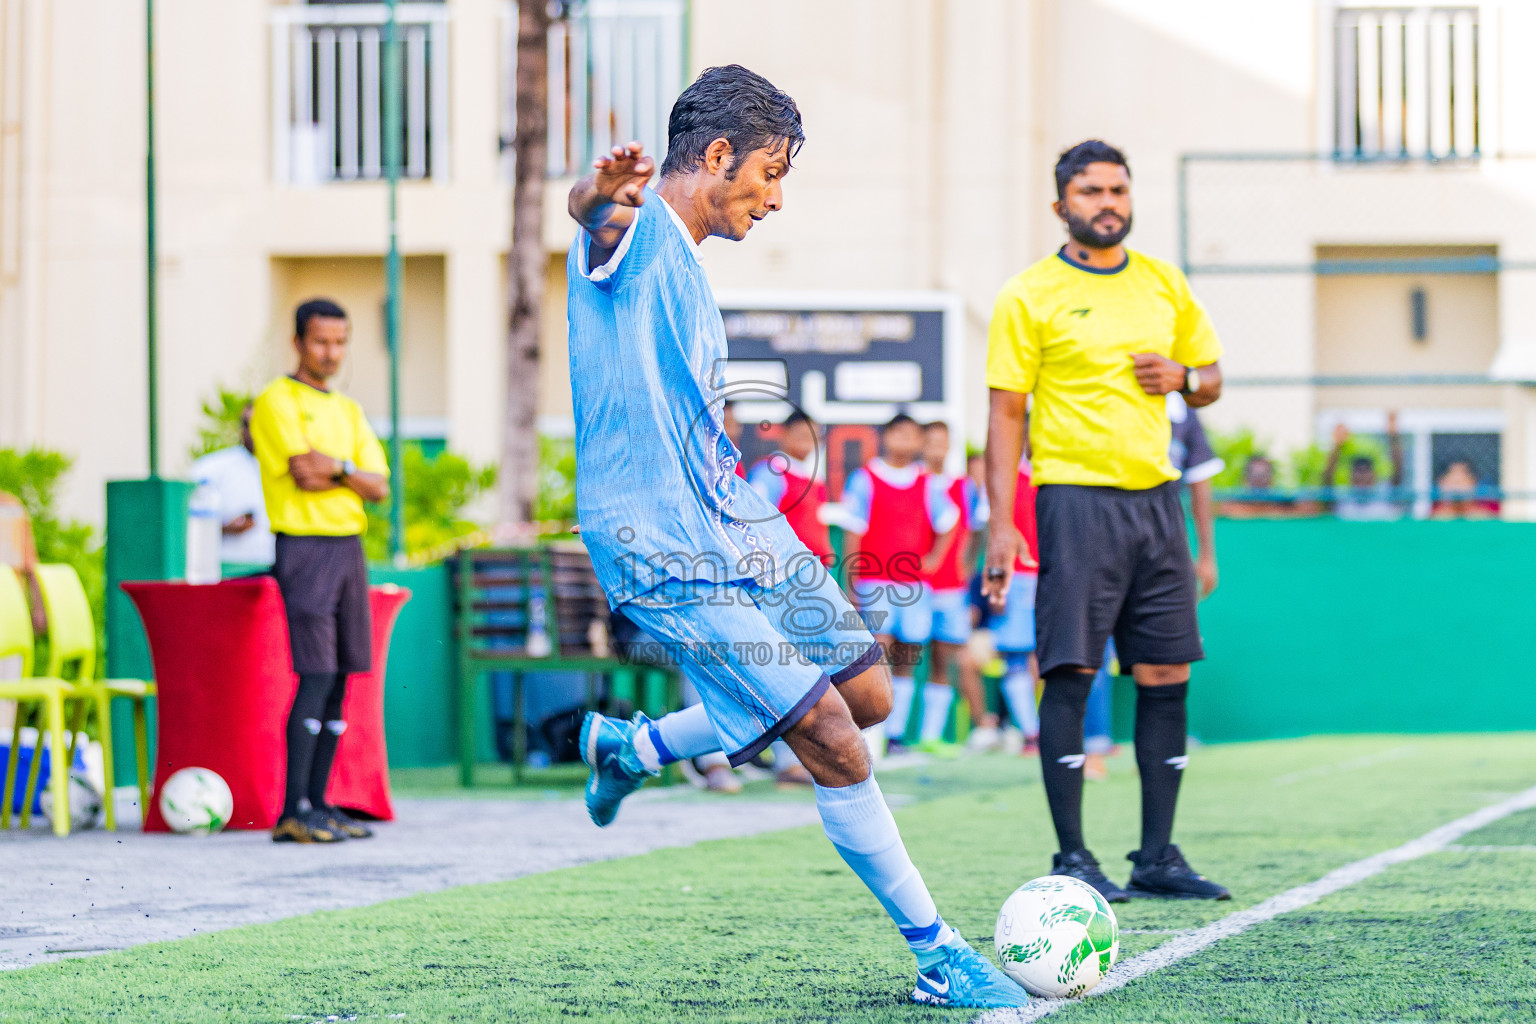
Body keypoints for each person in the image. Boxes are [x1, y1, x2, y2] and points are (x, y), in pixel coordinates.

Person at [565, 66, 1025, 1008]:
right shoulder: (639, 228)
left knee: (869, 694)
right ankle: (939, 954)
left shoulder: (687, 260)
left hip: (738, 521)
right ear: (719, 156)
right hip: (660, 546)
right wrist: (599, 193)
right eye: (769, 174)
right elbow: (593, 216)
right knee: (829, 737)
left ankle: (634, 751)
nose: (775, 200)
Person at [984, 139, 1231, 904]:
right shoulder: (1028, 293)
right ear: (1062, 206)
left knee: (1166, 673)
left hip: (1158, 507)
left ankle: (1156, 856)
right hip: (1074, 502)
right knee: (1071, 670)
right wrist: (1002, 523)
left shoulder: (1164, 283)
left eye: (1118, 189)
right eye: (1090, 191)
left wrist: (1184, 378)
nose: (1108, 203)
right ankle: (1073, 857)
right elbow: (1004, 415)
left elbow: (1212, 379)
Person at [250, 298, 390, 845]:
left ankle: (321, 803)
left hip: (347, 548)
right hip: (304, 547)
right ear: (298, 343)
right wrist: (346, 472)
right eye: (320, 342)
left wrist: (337, 467)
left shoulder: (348, 412)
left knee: (340, 679)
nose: (331, 353)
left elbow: (379, 486)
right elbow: (304, 475)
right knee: (314, 673)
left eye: (339, 343)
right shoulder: (276, 402)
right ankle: (293, 810)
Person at [1081, 394, 1222, 781]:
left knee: (1166, 657)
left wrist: (1206, 553)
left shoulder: (1183, 412)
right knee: (1089, 653)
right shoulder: (1102, 393)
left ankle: (1162, 751)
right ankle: (1093, 746)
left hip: (1163, 550)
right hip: (1098, 543)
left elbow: (1200, 481)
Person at [838, 415, 959, 752]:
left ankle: (896, 734)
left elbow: (949, 521)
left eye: (912, 435)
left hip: (915, 586)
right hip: (875, 582)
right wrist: (852, 580)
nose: (905, 441)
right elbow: (853, 532)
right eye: (899, 433)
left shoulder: (928, 482)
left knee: (908, 655)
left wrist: (934, 557)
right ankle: (872, 730)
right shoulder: (865, 478)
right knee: (880, 652)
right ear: (887, 437)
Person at [747, 411, 833, 785]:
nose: (808, 440)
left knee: (803, 674)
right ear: (782, 434)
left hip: (810, 585)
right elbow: (753, 521)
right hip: (780, 585)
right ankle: (776, 761)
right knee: (782, 671)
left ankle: (791, 761)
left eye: (815, 434)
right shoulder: (771, 472)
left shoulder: (813, 480)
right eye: (801, 432)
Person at [919, 423, 989, 749]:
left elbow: (975, 529)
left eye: (942, 443)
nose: (937, 449)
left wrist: (967, 563)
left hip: (951, 589)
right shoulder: (914, 481)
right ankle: (891, 738)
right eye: (931, 442)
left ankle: (933, 735)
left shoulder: (963, 486)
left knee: (946, 658)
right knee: (903, 657)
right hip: (914, 586)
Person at [189, 403, 276, 568]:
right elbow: (185, 524)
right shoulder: (211, 467)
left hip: (278, 568)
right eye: (247, 424)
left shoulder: (297, 468)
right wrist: (223, 528)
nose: (252, 431)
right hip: (227, 570)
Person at [1323, 414, 1405, 521]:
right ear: (1350, 476)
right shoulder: (1344, 499)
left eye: (1366, 472)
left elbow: (1398, 473)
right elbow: (1327, 481)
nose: (1362, 477)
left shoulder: (1383, 495)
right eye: (1358, 472)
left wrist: (1393, 436)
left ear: (1374, 475)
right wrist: (1337, 446)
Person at [1430, 459, 1500, 519]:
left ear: (1474, 483)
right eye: (1452, 482)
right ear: (1440, 483)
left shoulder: (1486, 519)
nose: (1457, 488)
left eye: (1462, 481)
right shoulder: (1433, 521)